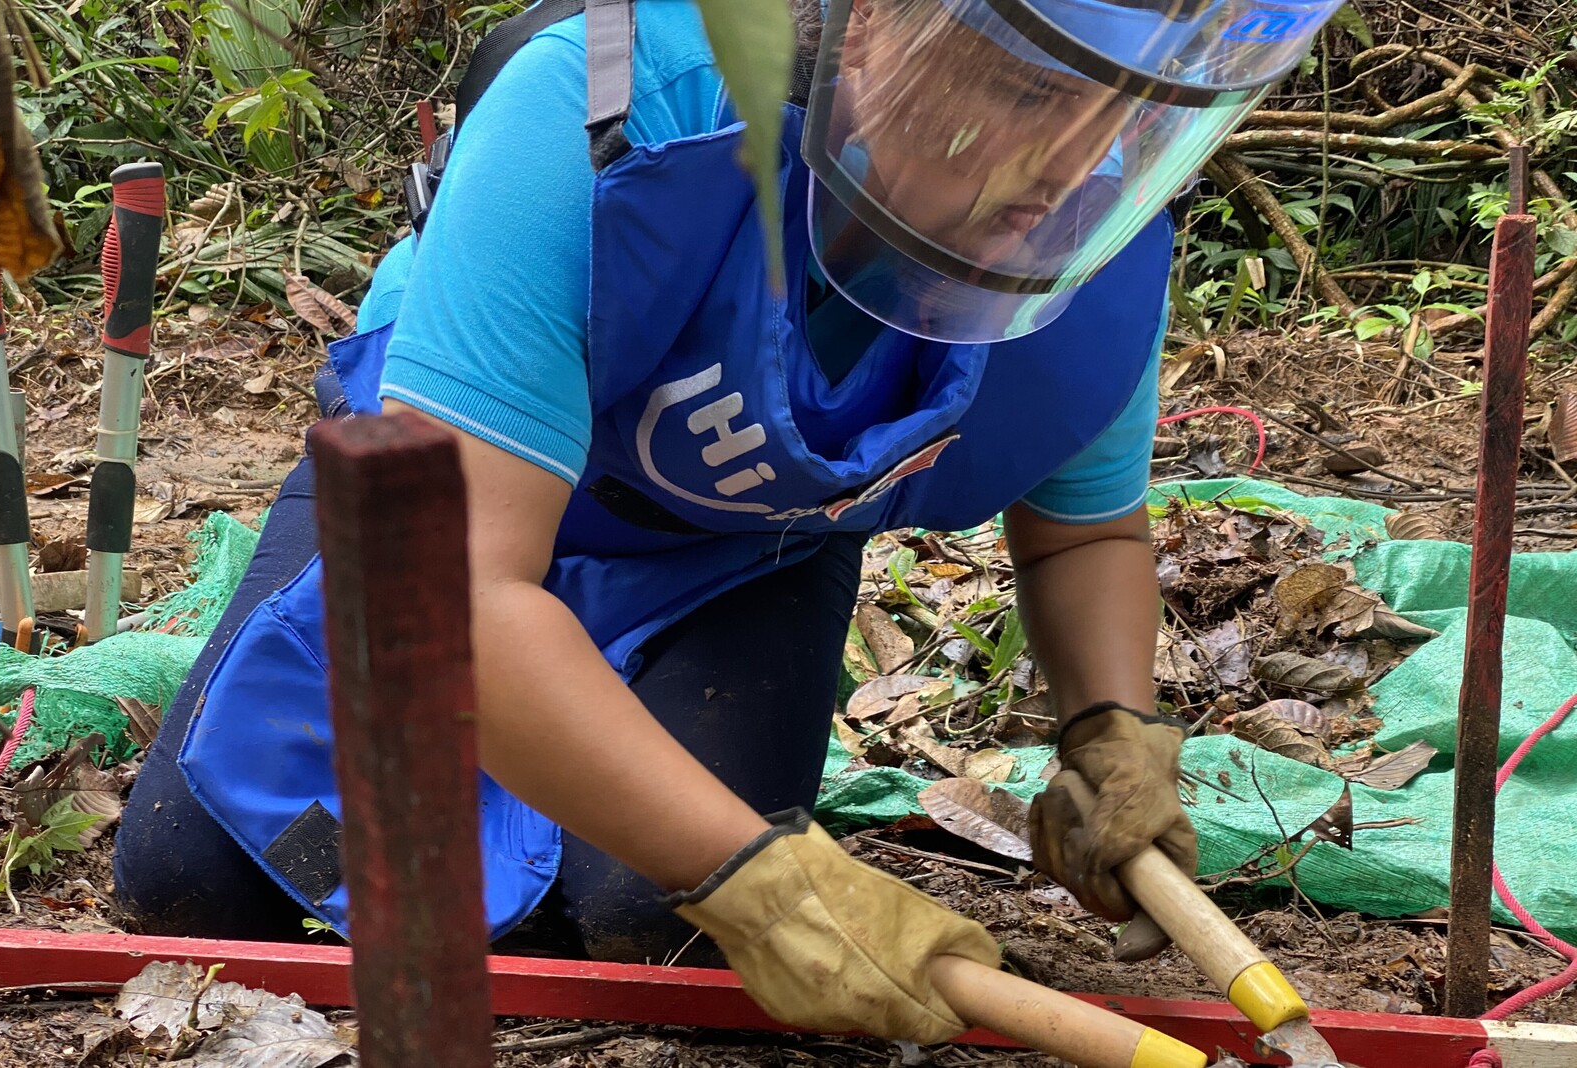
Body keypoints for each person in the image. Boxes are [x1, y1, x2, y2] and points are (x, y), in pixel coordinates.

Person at [116, 0, 1341, 1044]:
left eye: (1121, 114)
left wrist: (1111, 734)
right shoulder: (609, 113)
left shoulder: (1098, 239)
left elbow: (1084, 533)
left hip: (744, 541)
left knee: (651, 926)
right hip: (457, 507)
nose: (1063, 169)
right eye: (1025, 93)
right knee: (194, 874)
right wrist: (768, 886)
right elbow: (463, 592)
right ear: (871, 26)